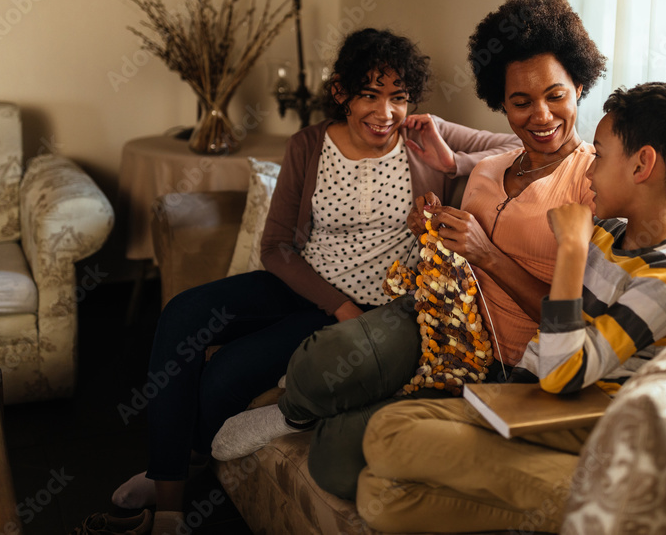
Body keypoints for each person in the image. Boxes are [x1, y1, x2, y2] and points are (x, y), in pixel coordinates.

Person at [110, 28, 520, 535]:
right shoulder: (308, 145)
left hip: (374, 309)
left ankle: (181, 468)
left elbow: (521, 144)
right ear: (341, 94)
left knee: (225, 376)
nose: (384, 112)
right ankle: (167, 490)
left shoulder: (423, 134)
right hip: (303, 287)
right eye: (369, 95)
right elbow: (276, 246)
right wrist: (336, 304)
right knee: (181, 315)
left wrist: (452, 160)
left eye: (398, 97)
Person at [210, 0, 609, 501]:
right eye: (520, 102)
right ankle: (299, 408)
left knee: (334, 460)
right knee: (318, 361)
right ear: (501, 104)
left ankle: (400, 418)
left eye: (556, 96)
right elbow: (459, 188)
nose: (541, 116)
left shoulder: (594, 180)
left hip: (507, 363)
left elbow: (584, 322)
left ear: (579, 86)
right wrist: (432, 221)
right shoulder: (490, 165)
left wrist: (488, 255)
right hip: (433, 319)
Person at [354, 81, 666, 533]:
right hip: (534, 403)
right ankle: (574, 506)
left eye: (600, 156)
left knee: (387, 436)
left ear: (642, 164)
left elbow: (563, 371)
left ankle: (626, 503)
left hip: (591, 424)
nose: (588, 173)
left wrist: (570, 250)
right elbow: (562, 332)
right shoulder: (607, 233)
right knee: (379, 495)